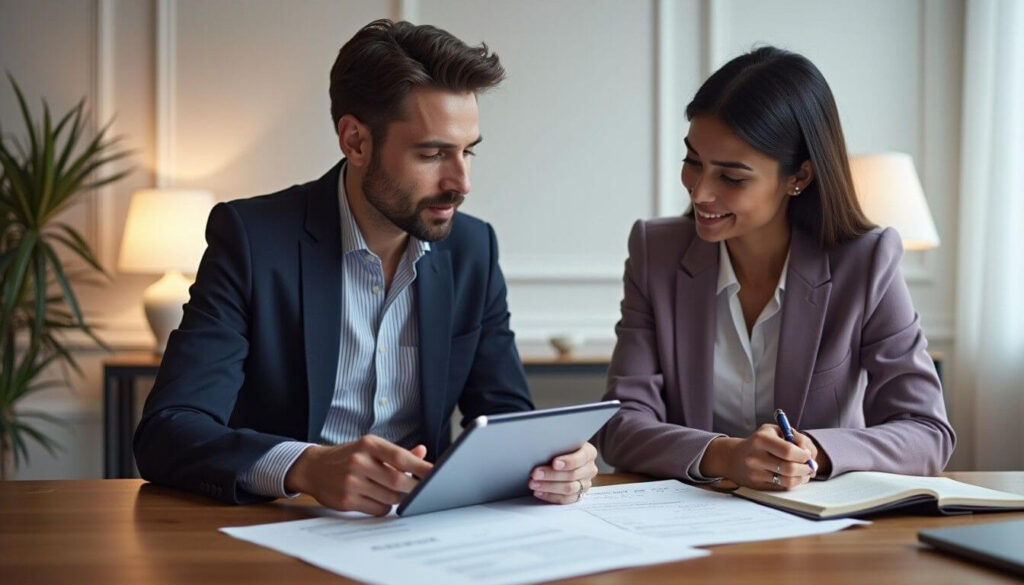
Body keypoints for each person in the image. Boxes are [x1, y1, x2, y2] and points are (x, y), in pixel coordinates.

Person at [134, 19, 596, 515]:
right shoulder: (252, 240)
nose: (461, 182)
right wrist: (306, 467)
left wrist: (557, 465)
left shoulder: (472, 248)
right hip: (282, 525)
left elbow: (506, 420)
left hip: (424, 534)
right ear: (355, 141)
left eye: (468, 152)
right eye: (433, 153)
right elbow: (168, 430)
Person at [595, 46, 955, 491]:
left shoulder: (866, 261)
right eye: (693, 162)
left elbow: (926, 432)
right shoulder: (656, 252)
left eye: (731, 176)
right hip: (688, 523)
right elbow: (620, 424)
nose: (700, 192)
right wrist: (724, 455)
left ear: (798, 176)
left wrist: (814, 454)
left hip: (819, 529)